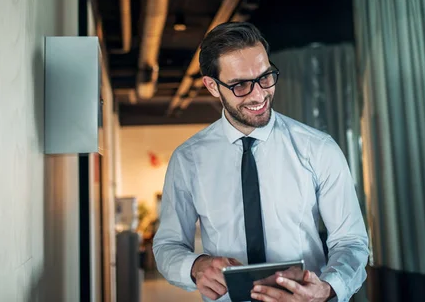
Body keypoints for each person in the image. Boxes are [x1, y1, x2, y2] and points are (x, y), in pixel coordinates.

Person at [152, 22, 369, 302]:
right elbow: (168, 245)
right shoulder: (188, 159)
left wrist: (328, 288)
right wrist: (195, 267)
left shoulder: (318, 149)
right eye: (240, 84)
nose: (259, 94)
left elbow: (351, 242)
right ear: (212, 86)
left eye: (265, 77)